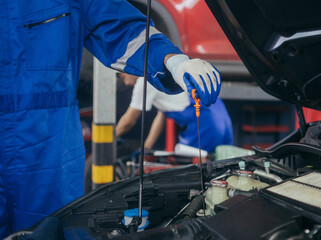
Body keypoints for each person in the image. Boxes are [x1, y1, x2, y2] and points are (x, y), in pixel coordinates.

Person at [0, 0, 220, 237]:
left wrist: (172, 60)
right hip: (50, 145)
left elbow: (122, 28)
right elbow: (144, 120)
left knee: (51, 230)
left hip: (48, 155)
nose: (124, 80)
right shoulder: (140, 91)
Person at [116, 73, 233, 152]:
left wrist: (108, 139)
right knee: (221, 164)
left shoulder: (145, 81)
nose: (126, 83)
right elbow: (161, 116)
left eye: (123, 76)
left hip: (203, 119)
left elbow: (128, 121)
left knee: (195, 169)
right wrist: (146, 148)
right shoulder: (157, 72)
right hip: (218, 111)